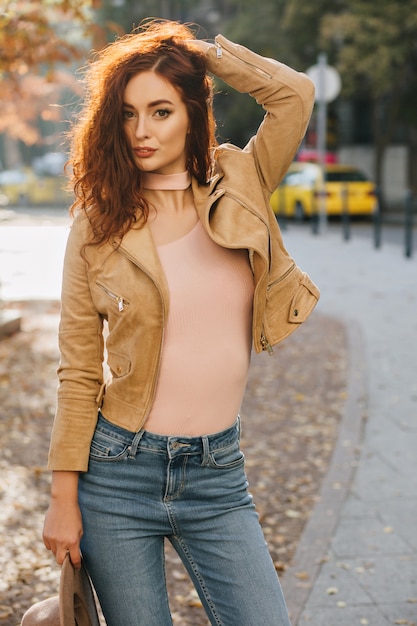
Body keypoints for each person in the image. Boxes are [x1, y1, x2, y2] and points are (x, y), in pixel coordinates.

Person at [42, 19, 319, 626]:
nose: (142, 130)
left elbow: (294, 94)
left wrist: (199, 55)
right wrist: (64, 499)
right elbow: (80, 368)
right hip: (117, 475)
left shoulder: (240, 183)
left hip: (218, 477)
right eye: (128, 114)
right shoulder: (98, 226)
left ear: (193, 112)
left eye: (161, 110)